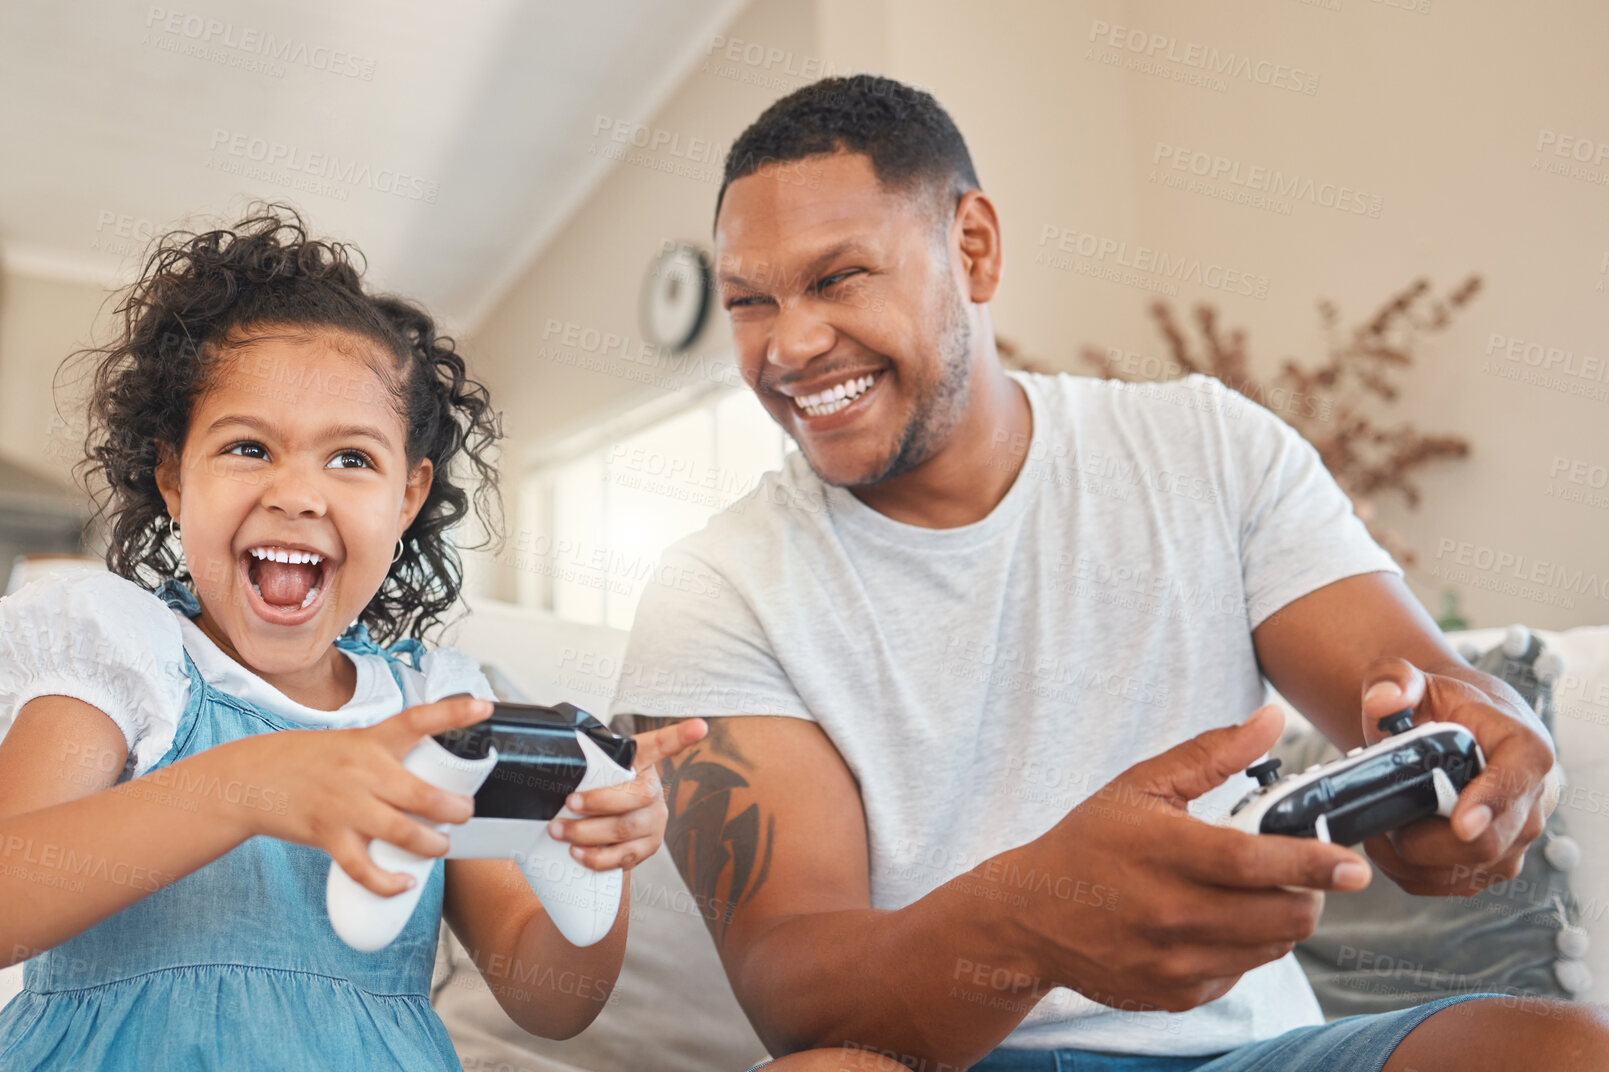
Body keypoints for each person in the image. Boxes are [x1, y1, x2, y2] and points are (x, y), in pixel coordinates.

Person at [620, 76, 1607, 1071]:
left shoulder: (1207, 448)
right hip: (942, 1058)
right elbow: (795, 995)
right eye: (750, 303)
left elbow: (1425, 700)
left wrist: (1480, 763)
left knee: (1566, 1050)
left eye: (837, 280)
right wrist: (1035, 917)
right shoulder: (716, 588)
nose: (788, 346)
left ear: (972, 248)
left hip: (1252, 1054)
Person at [0, 206, 706, 1071]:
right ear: (174, 478)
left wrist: (590, 861)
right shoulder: (120, 663)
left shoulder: (435, 713)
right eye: (249, 447)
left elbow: (548, 1003)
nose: (297, 493)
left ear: (407, 499)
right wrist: (246, 783)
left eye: (350, 460)